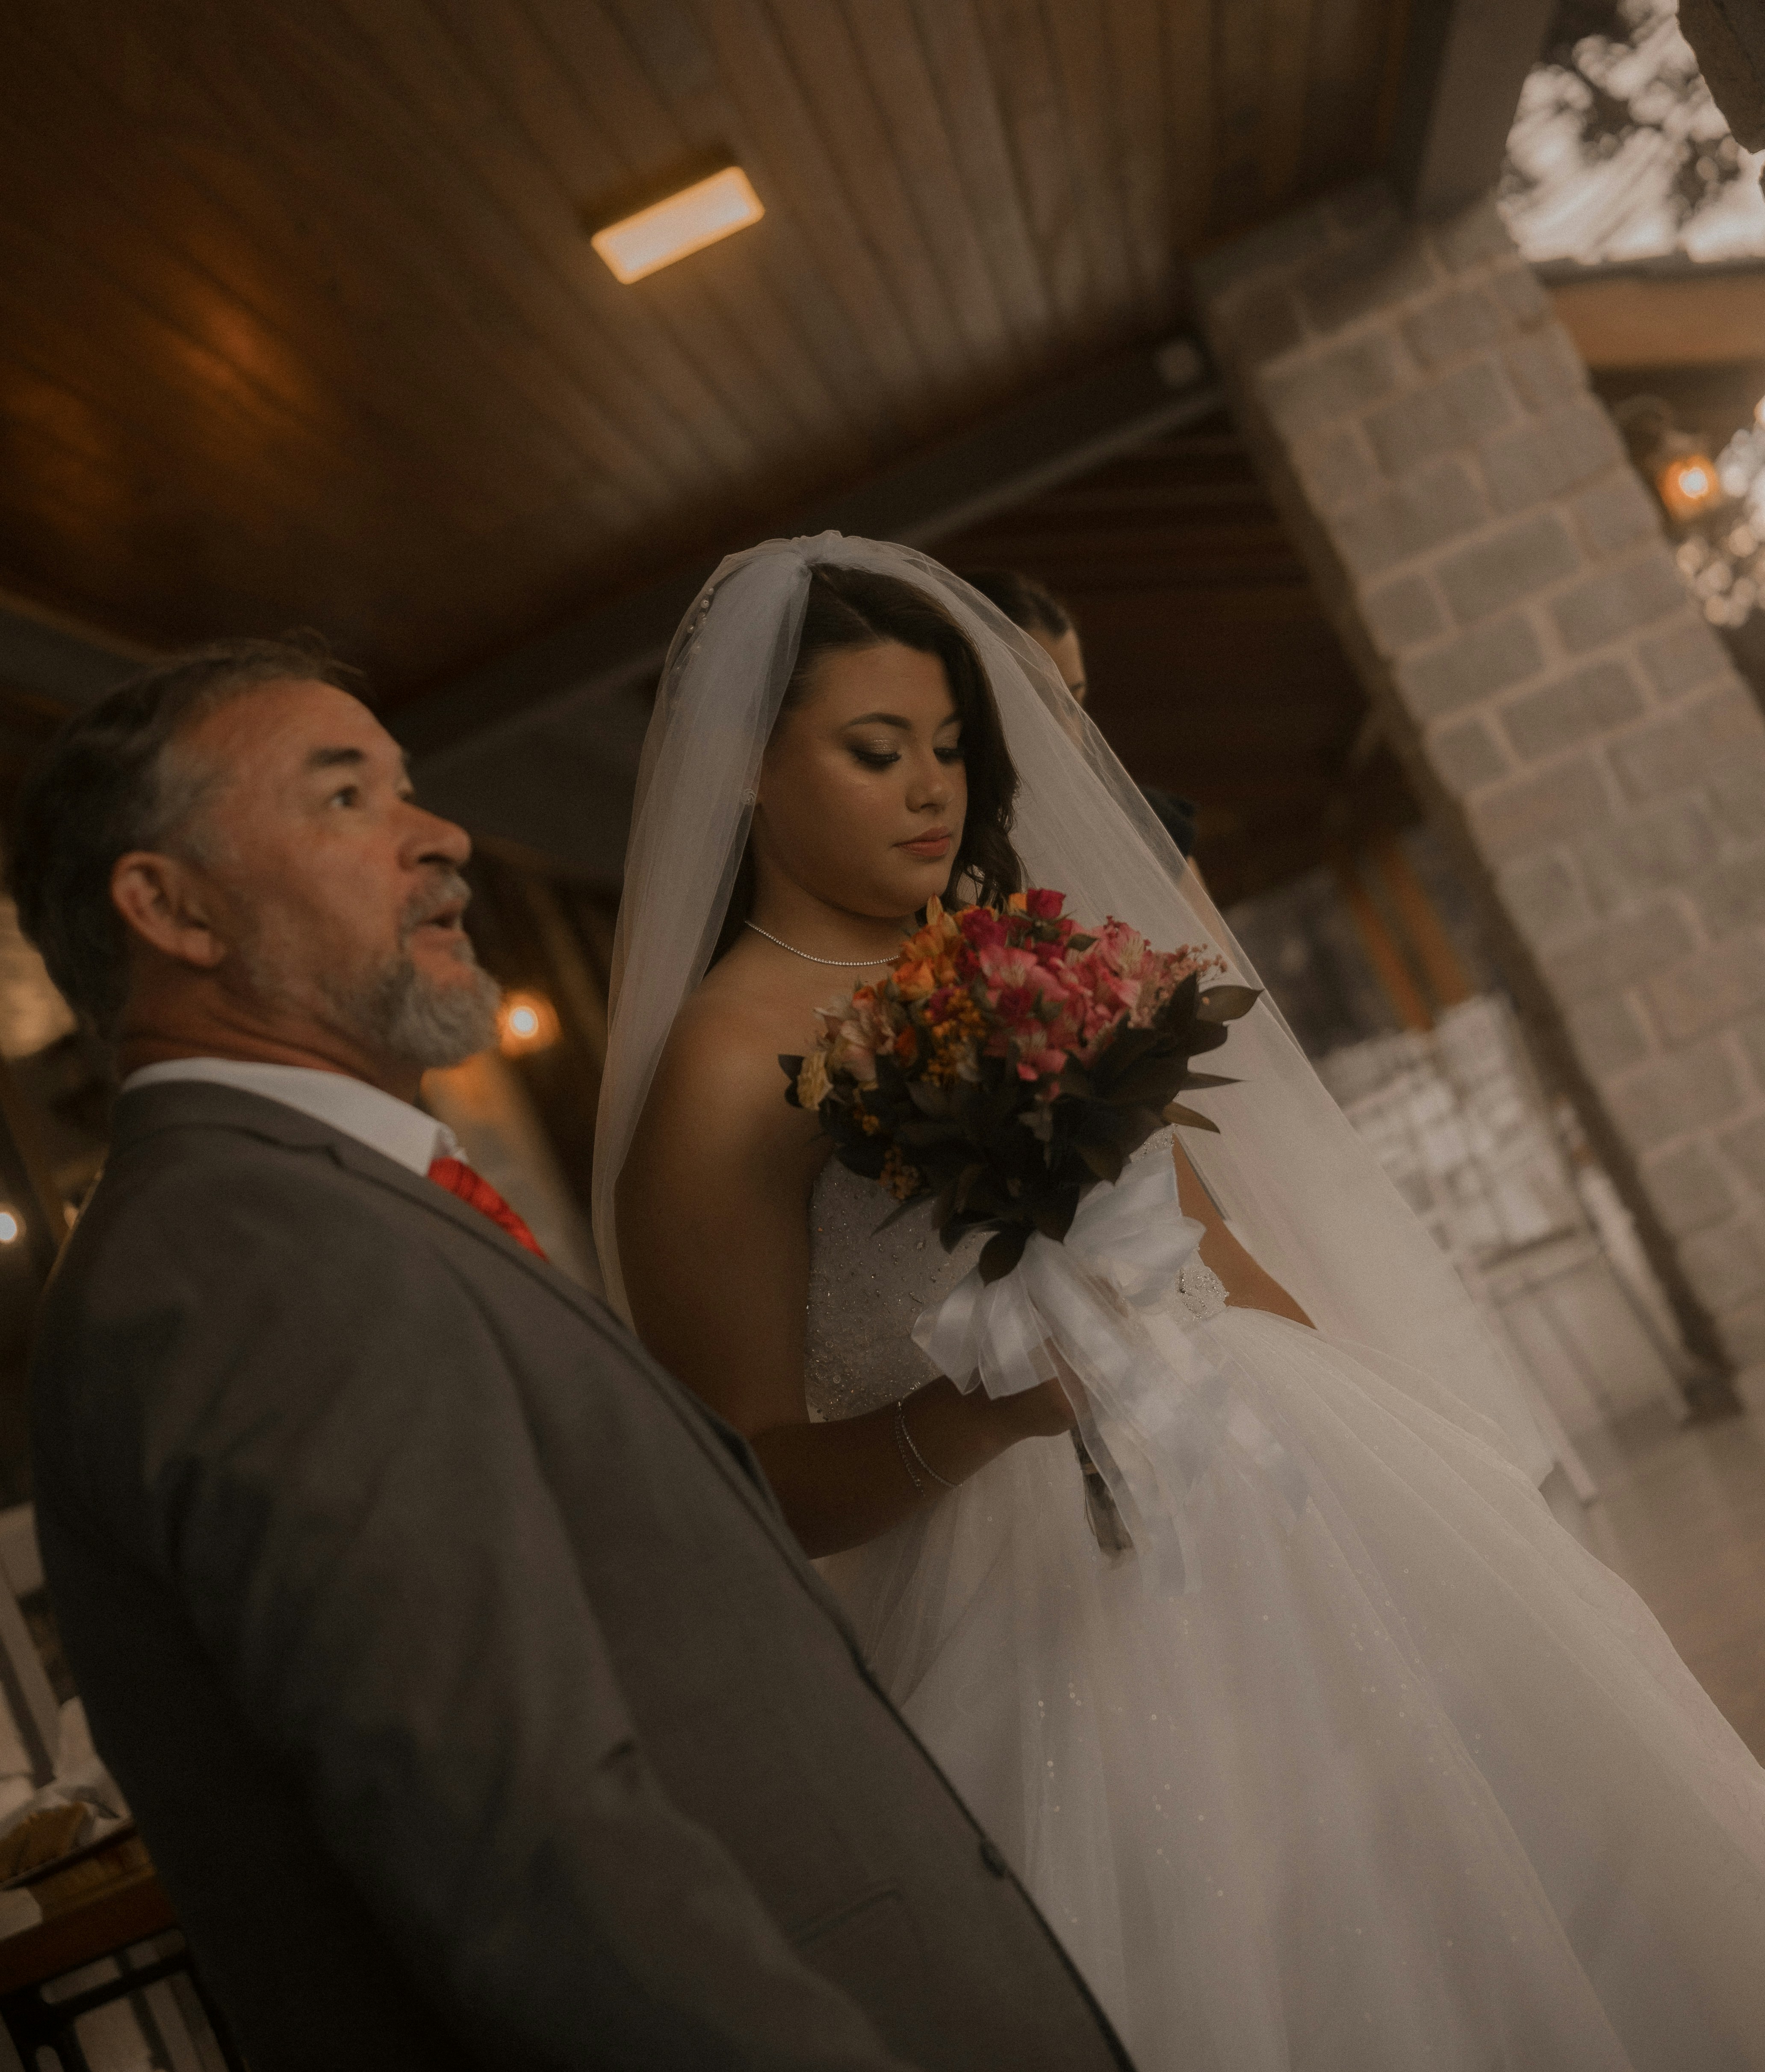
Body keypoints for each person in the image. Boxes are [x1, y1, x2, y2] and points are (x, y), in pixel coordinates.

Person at [602, 533, 1765, 2072]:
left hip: (1279, 1473)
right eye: (876, 751)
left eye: (949, 745)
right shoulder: (719, 1069)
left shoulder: (1021, 947)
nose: (932, 789)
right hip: (1024, 1594)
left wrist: (1399, 1446)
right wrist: (981, 1412)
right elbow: (740, 1475)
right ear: (748, 767)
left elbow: (1199, 1239)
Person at [11, 637, 1131, 2072]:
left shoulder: (320, 1206)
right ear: (169, 907)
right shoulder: (245, 1255)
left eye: (408, 787)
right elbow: (520, 1838)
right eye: (345, 797)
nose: (442, 835)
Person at [962, 568, 1199, 858]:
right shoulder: (945, 843)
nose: (1066, 730)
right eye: (1038, 705)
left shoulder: (1145, 822)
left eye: (1072, 704)